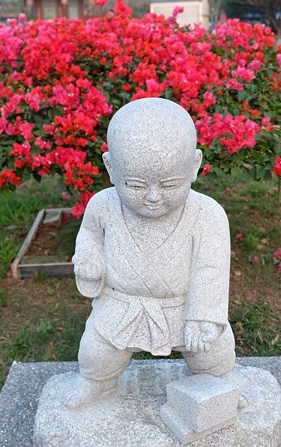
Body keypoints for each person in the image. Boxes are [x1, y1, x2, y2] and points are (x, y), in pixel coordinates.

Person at [66, 98, 236, 409]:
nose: (153, 197)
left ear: (195, 166)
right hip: (122, 304)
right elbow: (89, 236)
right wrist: (90, 261)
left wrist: (202, 317)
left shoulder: (207, 214)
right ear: (111, 167)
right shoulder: (103, 205)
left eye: (170, 184)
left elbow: (210, 268)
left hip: (183, 306)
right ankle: (96, 385)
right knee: (97, 351)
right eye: (135, 184)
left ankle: (221, 386)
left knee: (212, 351)